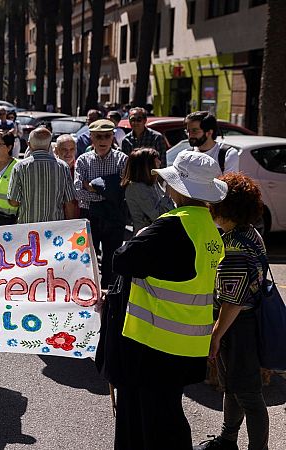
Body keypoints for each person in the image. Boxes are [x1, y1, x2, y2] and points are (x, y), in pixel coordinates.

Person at [97, 151, 227, 450]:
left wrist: (137, 237)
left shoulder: (172, 226)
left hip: (153, 342)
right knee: (164, 414)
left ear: (177, 187)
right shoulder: (209, 227)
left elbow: (122, 259)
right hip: (188, 341)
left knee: (152, 421)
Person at [195, 173, 270, 450]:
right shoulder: (250, 233)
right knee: (233, 389)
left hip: (238, 327)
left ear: (225, 208)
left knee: (249, 395)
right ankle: (227, 439)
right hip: (241, 324)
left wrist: (215, 335)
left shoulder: (234, 245)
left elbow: (233, 301)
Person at [74, 119, 128, 288]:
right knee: (86, 259)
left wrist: (93, 188)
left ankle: (110, 299)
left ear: (113, 137)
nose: (103, 141)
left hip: (115, 216)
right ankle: (87, 295)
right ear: (91, 138)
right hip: (90, 215)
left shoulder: (123, 160)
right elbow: (78, 192)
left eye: (107, 136)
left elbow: (122, 191)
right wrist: (107, 191)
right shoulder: (83, 160)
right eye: (98, 136)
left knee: (112, 261)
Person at [7, 127, 77, 224]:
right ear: (49, 145)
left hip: (28, 226)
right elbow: (69, 202)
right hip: (54, 227)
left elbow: (13, 201)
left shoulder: (20, 167)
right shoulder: (63, 167)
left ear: (29, 144)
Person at [121, 148, 173, 234]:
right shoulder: (137, 188)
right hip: (147, 237)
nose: (160, 163)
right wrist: (168, 193)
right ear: (146, 165)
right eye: (156, 161)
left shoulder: (152, 182)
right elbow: (157, 216)